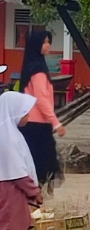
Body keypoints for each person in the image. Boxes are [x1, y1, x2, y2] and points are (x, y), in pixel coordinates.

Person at [0, 93, 41, 230]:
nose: (28, 116)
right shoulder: (7, 137)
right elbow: (18, 173)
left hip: (10, 195)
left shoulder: (8, 132)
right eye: (25, 111)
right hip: (8, 196)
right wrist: (35, 193)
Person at [18, 29, 65, 191]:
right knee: (42, 163)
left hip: (33, 125)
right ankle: (34, 199)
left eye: (48, 41)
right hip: (37, 125)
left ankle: (33, 198)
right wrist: (56, 123)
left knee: (36, 164)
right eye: (45, 42)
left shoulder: (31, 66)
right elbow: (42, 99)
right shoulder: (38, 71)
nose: (48, 45)